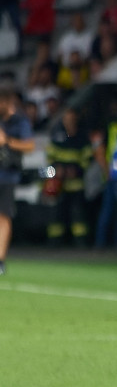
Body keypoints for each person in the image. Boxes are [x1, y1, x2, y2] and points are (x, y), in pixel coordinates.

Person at [45, 108, 93, 247]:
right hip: (59, 184)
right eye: (66, 119)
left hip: (76, 184)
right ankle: (54, 242)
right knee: (56, 215)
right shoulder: (56, 137)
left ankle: (80, 243)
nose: (69, 122)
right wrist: (55, 170)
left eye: (72, 119)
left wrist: (76, 171)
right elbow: (48, 161)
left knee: (78, 215)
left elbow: (87, 160)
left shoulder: (82, 138)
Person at [0, 88, 35, 276]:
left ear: (6, 102)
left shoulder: (20, 121)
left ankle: (0, 260)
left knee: (3, 217)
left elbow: (30, 145)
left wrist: (7, 141)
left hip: (8, 175)